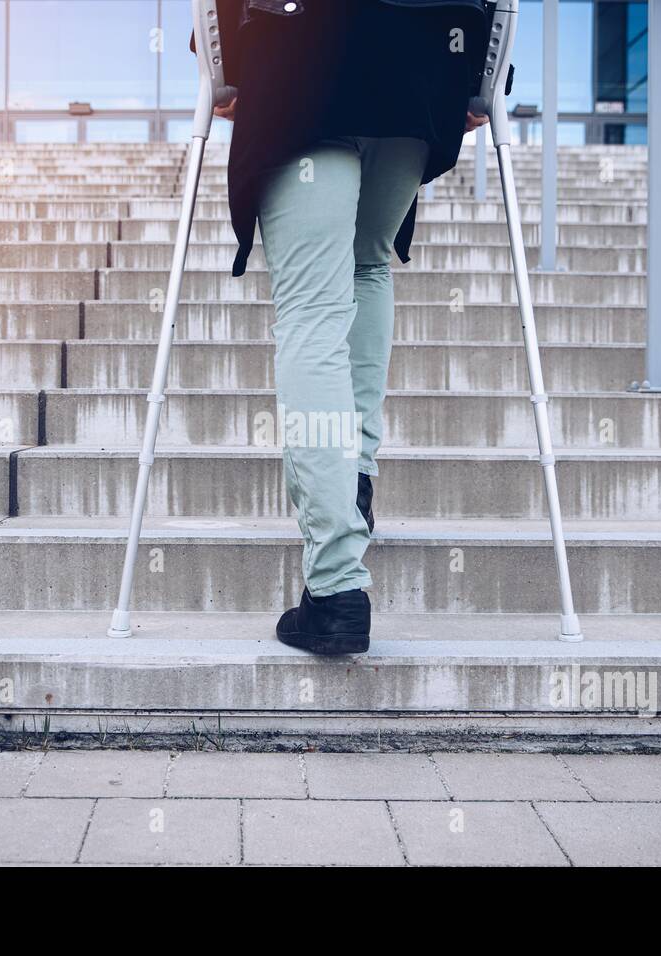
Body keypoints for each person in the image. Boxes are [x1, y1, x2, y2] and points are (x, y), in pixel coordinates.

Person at [201, 0, 492, 654]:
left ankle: (334, 586)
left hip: (304, 55)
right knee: (366, 266)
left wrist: (220, 61)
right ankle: (353, 485)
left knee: (312, 309)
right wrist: (474, 73)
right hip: (418, 65)